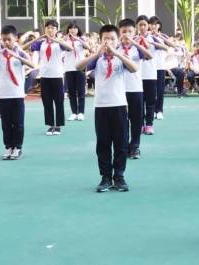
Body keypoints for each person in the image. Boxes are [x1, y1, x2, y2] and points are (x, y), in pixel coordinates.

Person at [76, 24, 139, 192]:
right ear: (100, 40)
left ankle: (119, 176)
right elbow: (78, 66)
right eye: (106, 39)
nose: (109, 42)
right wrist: (96, 53)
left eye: (112, 39)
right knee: (103, 143)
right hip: (101, 107)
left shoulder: (121, 57)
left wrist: (118, 53)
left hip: (119, 105)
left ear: (117, 41)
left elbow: (134, 68)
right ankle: (105, 177)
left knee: (121, 144)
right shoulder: (97, 59)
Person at [0, 25, 36, 160]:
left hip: (17, 94)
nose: (6, 42)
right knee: (6, 124)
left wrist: (16, 55)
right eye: (4, 40)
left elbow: (33, 66)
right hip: (2, 94)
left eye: (9, 39)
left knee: (18, 123)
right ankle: (8, 147)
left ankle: (17, 147)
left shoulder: (20, 53)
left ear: (16, 39)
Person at [23, 20, 74, 136]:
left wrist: (56, 39)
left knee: (59, 102)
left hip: (57, 75)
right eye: (48, 28)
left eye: (52, 28)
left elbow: (70, 48)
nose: (50, 30)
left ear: (56, 30)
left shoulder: (60, 43)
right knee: (47, 102)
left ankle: (58, 125)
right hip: (45, 75)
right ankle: (50, 124)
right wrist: (37, 38)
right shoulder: (41, 43)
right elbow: (24, 47)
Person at [118, 19, 152, 160]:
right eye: (123, 32)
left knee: (137, 120)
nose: (126, 35)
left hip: (136, 89)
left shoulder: (137, 48)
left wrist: (135, 43)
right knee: (121, 121)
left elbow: (149, 56)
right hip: (119, 91)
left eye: (130, 32)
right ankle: (124, 146)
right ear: (119, 33)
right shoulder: (115, 48)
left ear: (135, 32)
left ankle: (135, 147)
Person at [136, 15, 162, 135]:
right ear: (137, 26)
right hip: (137, 76)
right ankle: (140, 124)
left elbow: (167, 47)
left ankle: (149, 124)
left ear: (148, 26)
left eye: (144, 25)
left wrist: (152, 42)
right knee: (139, 103)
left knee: (151, 102)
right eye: (140, 24)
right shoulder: (134, 39)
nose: (142, 27)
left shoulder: (153, 38)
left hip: (151, 75)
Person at [63, 22, 91, 121]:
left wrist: (79, 39)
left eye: (75, 28)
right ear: (68, 30)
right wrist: (64, 39)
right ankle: (74, 112)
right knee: (71, 92)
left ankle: (81, 112)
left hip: (80, 68)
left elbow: (88, 47)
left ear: (78, 30)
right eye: (71, 28)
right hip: (69, 68)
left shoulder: (81, 40)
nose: (73, 30)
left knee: (81, 91)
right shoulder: (65, 40)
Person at [148, 16, 175, 120]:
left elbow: (172, 45)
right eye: (151, 24)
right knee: (151, 90)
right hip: (149, 67)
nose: (153, 26)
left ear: (159, 25)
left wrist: (160, 36)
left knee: (160, 90)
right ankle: (151, 110)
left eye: (156, 24)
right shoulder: (147, 36)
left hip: (160, 66)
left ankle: (159, 110)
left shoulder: (163, 36)